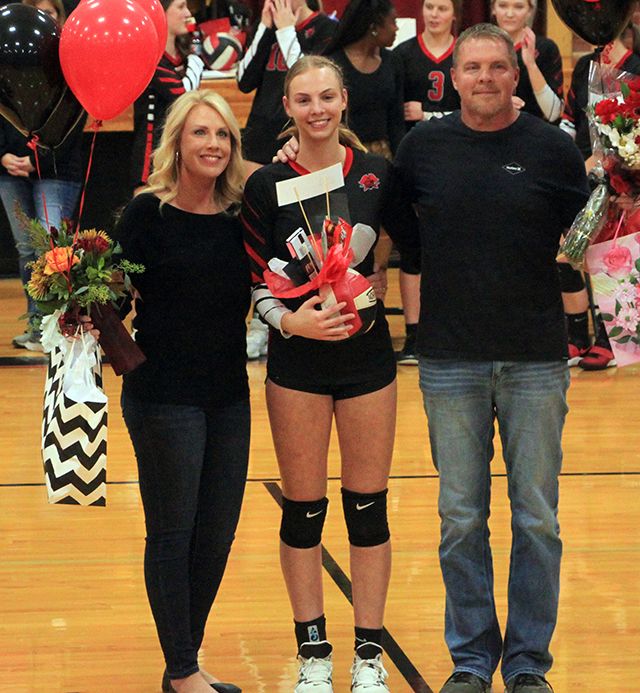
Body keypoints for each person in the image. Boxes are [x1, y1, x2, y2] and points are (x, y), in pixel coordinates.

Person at [382, 24, 590, 693]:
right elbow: (400, 231)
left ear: (514, 74)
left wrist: (620, 187)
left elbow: (588, 228)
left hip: (536, 359)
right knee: (460, 518)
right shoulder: (423, 148)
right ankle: (472, 660)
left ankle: (528, 662)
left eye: (498, 67)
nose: (485, 79)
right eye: (472, 68)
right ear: (455, 78)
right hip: (450, 359)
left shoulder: (552, 149)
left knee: (538, 518)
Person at [241, 55, 396, 693]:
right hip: (297, 365)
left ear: (344, 100)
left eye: (326, 97)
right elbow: (256, 280)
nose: (317, 110)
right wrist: (290, 322)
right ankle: (313, 654)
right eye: (303, 100)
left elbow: (408, 243)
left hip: (368, 361)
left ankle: (368, 656)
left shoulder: (377, 173)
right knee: (303, 511)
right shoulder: (266, 183)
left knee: (368, 510)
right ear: (287, 107)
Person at [113, 89, 250, 693]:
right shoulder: (147, 213)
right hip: (163, 395)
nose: (212, 144)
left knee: (216, 536)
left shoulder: (241, 214)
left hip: (229, 395)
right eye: (200, 132)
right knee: (174, 533)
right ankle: (183, 670)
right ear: (177, 142)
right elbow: (111, 296)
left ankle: (184, 663)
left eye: (222, 134)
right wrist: (83, 300)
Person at [2, 0, 84, 350]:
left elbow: (74, 122)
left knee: (53, 250)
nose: (43, 20)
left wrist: (37, 160)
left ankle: (61, 325)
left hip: (56, 171)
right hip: (9, 170)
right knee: (26, 251)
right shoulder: (7, 57)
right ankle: (37, 327)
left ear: (60, 18)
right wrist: (4, 156)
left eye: (49, 13)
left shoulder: (71, 64)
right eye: (36, 12)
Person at [558, 28, 640, 369]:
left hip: (620, 179)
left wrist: (624, 175)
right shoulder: (584, 67)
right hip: (579, 172)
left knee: (610, 255)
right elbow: (570, 120)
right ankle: (576, 335)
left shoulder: (636, 67)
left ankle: (610, 338)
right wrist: (562, 160)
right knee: (566, 251)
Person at [392, 0, 461, 365]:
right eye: (429, 6)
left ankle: (457, 327)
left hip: (459, 158)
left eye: (442, 8)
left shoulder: (465, 53)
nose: (434, 14)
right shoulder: (403, 54)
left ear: (454, 14)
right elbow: (396, 112)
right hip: (416, 159)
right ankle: (415, 334)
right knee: (413, 247)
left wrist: (430, 114)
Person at [237, 0, 336, 176]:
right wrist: (264, 28)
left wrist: (286, 31)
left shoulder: (326, 28)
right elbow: (244, 82)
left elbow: (311, 79)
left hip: (300, 136)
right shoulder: (267, 26)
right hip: (260, 135)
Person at [130, 0, 206, 192]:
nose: (188, 13)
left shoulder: (182, 56)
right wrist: (196, 62)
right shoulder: (151, 58)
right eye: (180, 7)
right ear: (159, 13)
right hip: (153, 158)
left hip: (181, 153)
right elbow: (183, 97)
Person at [324, 0, 404, 159]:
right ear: (373, 28)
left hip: (382, 157)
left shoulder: (393, 61)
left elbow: (397, 121)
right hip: (341, 156)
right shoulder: (332, 65)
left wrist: (400, 161)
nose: (396, 28)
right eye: (393, 22)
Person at [492, 0, 563, 123]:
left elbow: (553, 114)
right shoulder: (481, 48)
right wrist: (499, 104)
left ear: (530, 11)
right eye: (503, 6)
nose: (510, 14)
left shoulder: (546, 48)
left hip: (536, 130)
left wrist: (531, 64)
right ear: (493, 9)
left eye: (518, 7)